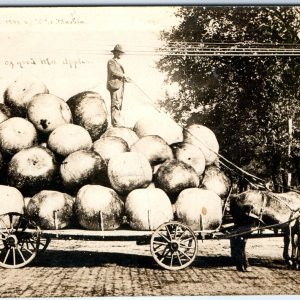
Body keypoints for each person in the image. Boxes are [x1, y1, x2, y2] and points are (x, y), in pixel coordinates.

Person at [106, 44, 131, 127]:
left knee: (119, 103)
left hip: (119, 86)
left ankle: (117, 122)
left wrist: (125, 79)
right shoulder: (111, 62)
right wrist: (123, 75)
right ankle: (115, 123)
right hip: (114, 86)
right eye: (120, 53)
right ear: (116, 53)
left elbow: (118, 75)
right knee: (115, 103)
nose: (121, 55)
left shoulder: (117, 63)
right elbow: (113, 72)